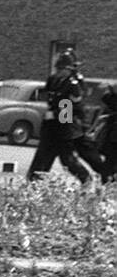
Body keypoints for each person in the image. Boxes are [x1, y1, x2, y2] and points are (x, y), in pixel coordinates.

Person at [28, 49, 96, 183]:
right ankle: (34, 182)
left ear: (69, 70)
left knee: (67, 159)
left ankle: (86, 179)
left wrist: (54, 114)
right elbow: (49, 98)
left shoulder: (72, 85)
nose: (59, 71)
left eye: (62, 69)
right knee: (42, 157)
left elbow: (70, 110)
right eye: (58, 68)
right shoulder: (53, 80)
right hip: (50, 127)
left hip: (64, 127)